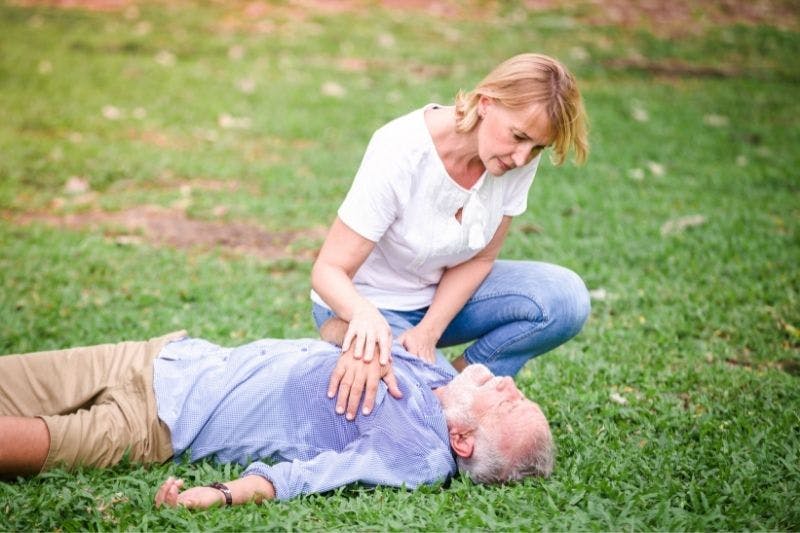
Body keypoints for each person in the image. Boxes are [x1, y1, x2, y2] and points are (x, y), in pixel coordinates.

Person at [310, 52, 591, 416]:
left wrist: (429, 331)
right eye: (519, 137)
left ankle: (453, 383)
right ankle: (347, 336)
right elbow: (328, 269)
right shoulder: (400, 149)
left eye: (537, 147)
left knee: (565, 300)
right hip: (368, 304)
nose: (523, 158)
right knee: (423, 415)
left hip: (440, 301)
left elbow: (482, 258)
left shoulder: (516, 157)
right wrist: (363, 315)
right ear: (486, 103)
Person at [0, 328, 554, 508]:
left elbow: (310, 476)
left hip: (153, 424)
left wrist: (220, 495)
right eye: (519, 394)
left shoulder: (418, 454)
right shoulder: (430, 372)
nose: (507, 382)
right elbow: (339, 321)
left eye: (506, 403)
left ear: (461, 441)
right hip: (163, 357)